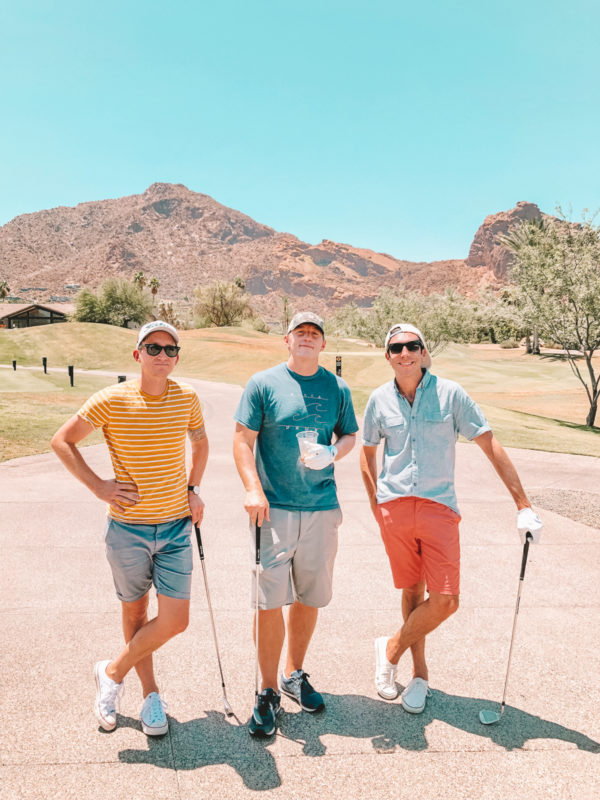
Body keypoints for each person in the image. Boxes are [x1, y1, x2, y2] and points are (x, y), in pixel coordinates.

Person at [360, 322, 542, 714]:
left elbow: (489, 442)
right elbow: (367, 452)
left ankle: (390, 649)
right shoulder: (378, 400)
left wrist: (523, 503)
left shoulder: (450, 395)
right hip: (395, 509)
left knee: (445, 600)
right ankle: (420, 676)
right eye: (396, 348)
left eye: (412, 346)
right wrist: (377, 503)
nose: (405, 353)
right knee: (411, 592)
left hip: (439, 508)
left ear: (424, 352)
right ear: (388, 356)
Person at [51, 320, 208, 736]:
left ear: (177, 358)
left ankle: (112, 671)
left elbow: (201, 441)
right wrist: (99, 486)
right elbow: (62, 441)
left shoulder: (186, 398)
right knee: (135, 612)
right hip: (127, 529)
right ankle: (150, 694)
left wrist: (193, 487)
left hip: (175, 525)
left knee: (175, 620)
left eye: (170, 349)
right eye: (152, 348)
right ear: (137, 354)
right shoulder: (111, 399)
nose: (162, 356)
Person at [233, 311, 358, 736]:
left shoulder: (337, 387)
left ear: (323, 345)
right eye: (300, 332)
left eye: (315, 333)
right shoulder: (263, 384)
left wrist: (334, 453)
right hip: (273, 508)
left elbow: (349, 436)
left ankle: (293, 674)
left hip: (322, 506)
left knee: (309, 596)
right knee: (268, 600)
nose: (307, 338)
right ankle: (267, 690)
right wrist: (253, 489)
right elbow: (242, 440)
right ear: (287, 340)